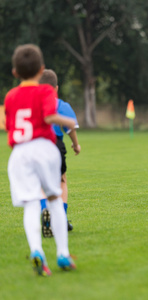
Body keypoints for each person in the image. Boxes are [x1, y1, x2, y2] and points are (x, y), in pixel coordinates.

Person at [4, 44, 77, 276]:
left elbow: (7, 122)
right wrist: (67, 123)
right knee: (54, 199)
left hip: (19, 154)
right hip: (44, 149)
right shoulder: (45, 91)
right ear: (41, 69)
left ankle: (37, 251)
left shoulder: (11, 95)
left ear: (15, 72)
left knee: (31, 204)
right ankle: (63, 254)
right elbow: (48, 115)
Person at [39, 69, 81, 237]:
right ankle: (61, 218)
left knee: (42, 183)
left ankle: (44, 210)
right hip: (56, 144)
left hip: (37, 144)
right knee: (62, 179)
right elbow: (70, 128)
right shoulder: (62, 105)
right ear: (56, 88)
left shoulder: (35, 104)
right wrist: (76, 145)